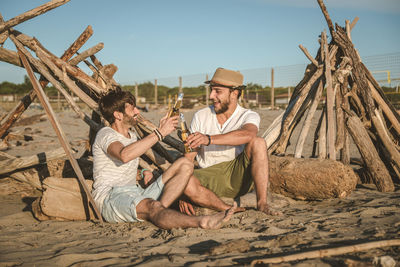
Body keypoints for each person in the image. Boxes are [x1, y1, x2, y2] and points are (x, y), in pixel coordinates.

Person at [91, 88, 236, 229]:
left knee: (185, 163)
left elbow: (119, 170)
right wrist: (160, 133)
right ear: (118, 115)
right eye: (132, 109)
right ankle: (202, 222)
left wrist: (141, 174)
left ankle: (162, 212)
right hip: (110, 198)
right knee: (152, 206)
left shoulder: (132, 136)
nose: (137, 112)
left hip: (135, 192)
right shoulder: (106, 134)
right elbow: (124, 155)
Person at [182, 67, 277, 215]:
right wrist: (181, 191)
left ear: (234, 93)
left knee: (259, 142)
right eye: (211, 90)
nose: (211, 96)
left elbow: (249, 134)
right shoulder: (201, 116)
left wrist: (208, 139)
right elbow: (189, 158)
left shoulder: (248, 115)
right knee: (182, 180)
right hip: (208, 175)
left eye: (218, 91)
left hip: (237, 175)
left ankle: (262, 203)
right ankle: (226, 208)